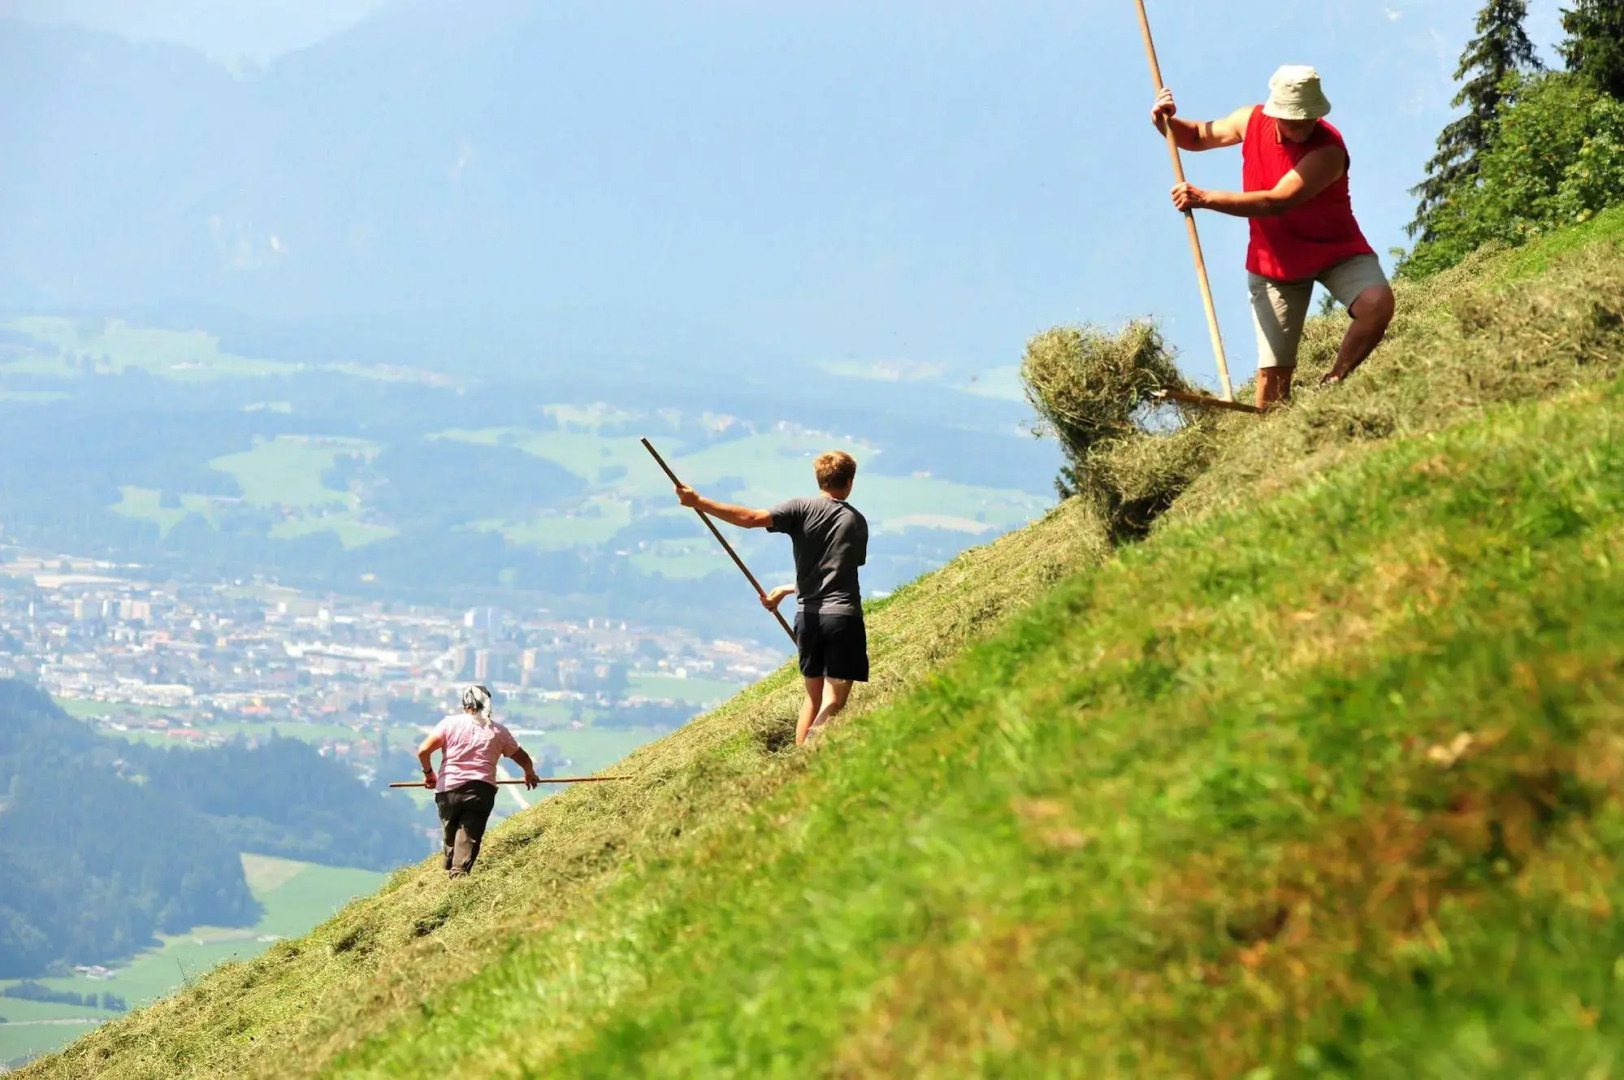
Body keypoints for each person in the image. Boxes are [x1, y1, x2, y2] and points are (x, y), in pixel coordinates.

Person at [1151, 65, 1396, 410]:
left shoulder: (1328, 151)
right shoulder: (1250, 121)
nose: (1303, 126)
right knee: (1272, 386)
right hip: (1275, 264)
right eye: (1294, 120)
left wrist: (1205, 198)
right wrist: (1167, 122)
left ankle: (1336, 380)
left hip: (1336, 250)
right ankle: (1276, 441)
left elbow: (1275, 201)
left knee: (1378, 304)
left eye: (1309, 117)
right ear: (1275, 112)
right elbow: (1195, 137)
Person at [673, 450, 869, 747]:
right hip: (842, 617)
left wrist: (699, 503)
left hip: (808, 619)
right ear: (850, 481)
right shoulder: (856, 521)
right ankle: (809, 761)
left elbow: (751, 519)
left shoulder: (801, 508)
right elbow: (839, 571)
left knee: (812, 699)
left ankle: (794, 764)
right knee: (833, 702)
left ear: (819, 478)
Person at [416, 684, 540, 879]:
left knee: (451, 832)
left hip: (448, 790)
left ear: (465, 704)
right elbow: (522, 757)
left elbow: (423, 751)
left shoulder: (449, 724)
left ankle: (452, 861)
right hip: (480, 791)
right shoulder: (499, 731)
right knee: (469, 835)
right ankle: (458, 873)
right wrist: (529, 772)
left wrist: (429, 773)